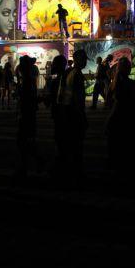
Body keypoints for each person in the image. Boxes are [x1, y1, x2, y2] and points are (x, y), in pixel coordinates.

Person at [55, 49, 88, 187]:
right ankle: (75, 174)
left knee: (69, 145)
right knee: (76, 145)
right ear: (77, 59)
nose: (85, 61)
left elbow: (61, 95)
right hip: (74, 113)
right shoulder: (76, 74)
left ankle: (67, 171)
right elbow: (77, 98)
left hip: (66, 112)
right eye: (84, 59)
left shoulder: (68, 72)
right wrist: (82, 116)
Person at [105, 57, 135, 175]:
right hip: (131, 116)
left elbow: (108, 102)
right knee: (130, 144)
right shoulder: (133, 84)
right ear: (129, 69)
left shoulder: (113, 85)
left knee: (117, 144)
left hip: (117, 116)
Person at [14, 55, 44, 180]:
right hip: (28, 113)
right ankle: (32, 164)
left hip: (26, 114)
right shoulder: (28, 80)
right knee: (27, 141)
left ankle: (32, 164)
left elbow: (28, 99)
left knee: (23, 142)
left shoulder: (26, 81)